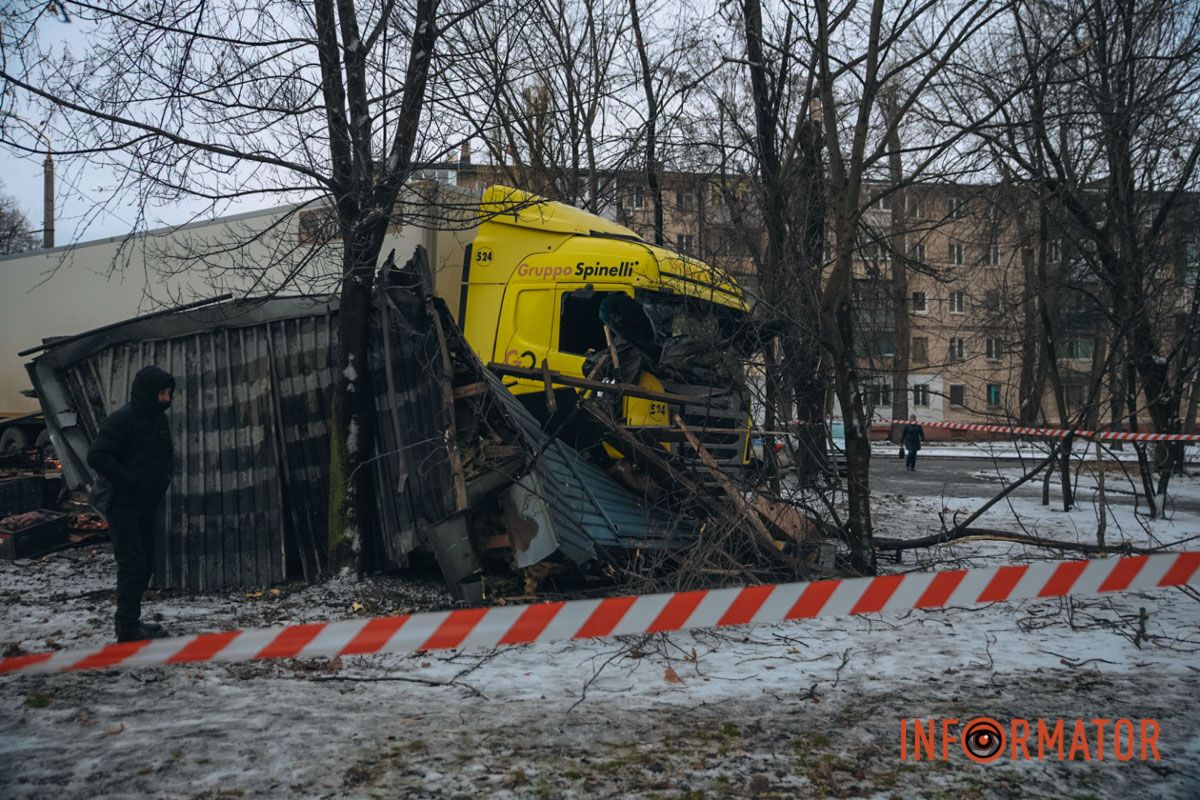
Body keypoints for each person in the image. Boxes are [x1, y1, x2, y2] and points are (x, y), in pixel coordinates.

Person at [87, 365, 176, 642]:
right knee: (133, 563)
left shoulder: (159, 420)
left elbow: (164, 455)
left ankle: (132, 621)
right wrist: (132, 481)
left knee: (146, 562)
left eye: (168, 392)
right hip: (122, 504)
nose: (167, 398)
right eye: (162, 392)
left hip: (146, 503)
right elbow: (97, 456)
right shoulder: (122, 419)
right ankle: (126, 628)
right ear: (148, 393)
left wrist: (162, 480)